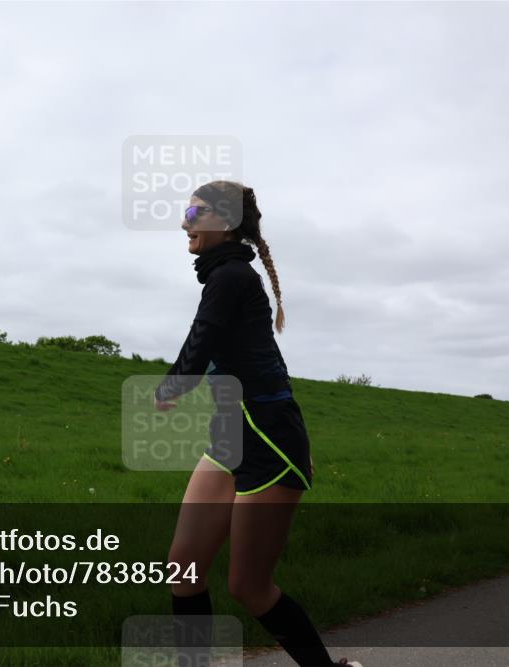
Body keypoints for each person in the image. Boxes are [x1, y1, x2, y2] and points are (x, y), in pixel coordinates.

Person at [155, 181, 362, 667]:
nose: (184, 222)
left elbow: (201, 340)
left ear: (224, 222)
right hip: (230, 439)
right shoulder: (225, 277)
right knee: (183, 570)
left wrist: (171, 387)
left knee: (248, 586)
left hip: (269, 443)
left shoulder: (231, 278)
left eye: (194, 213)